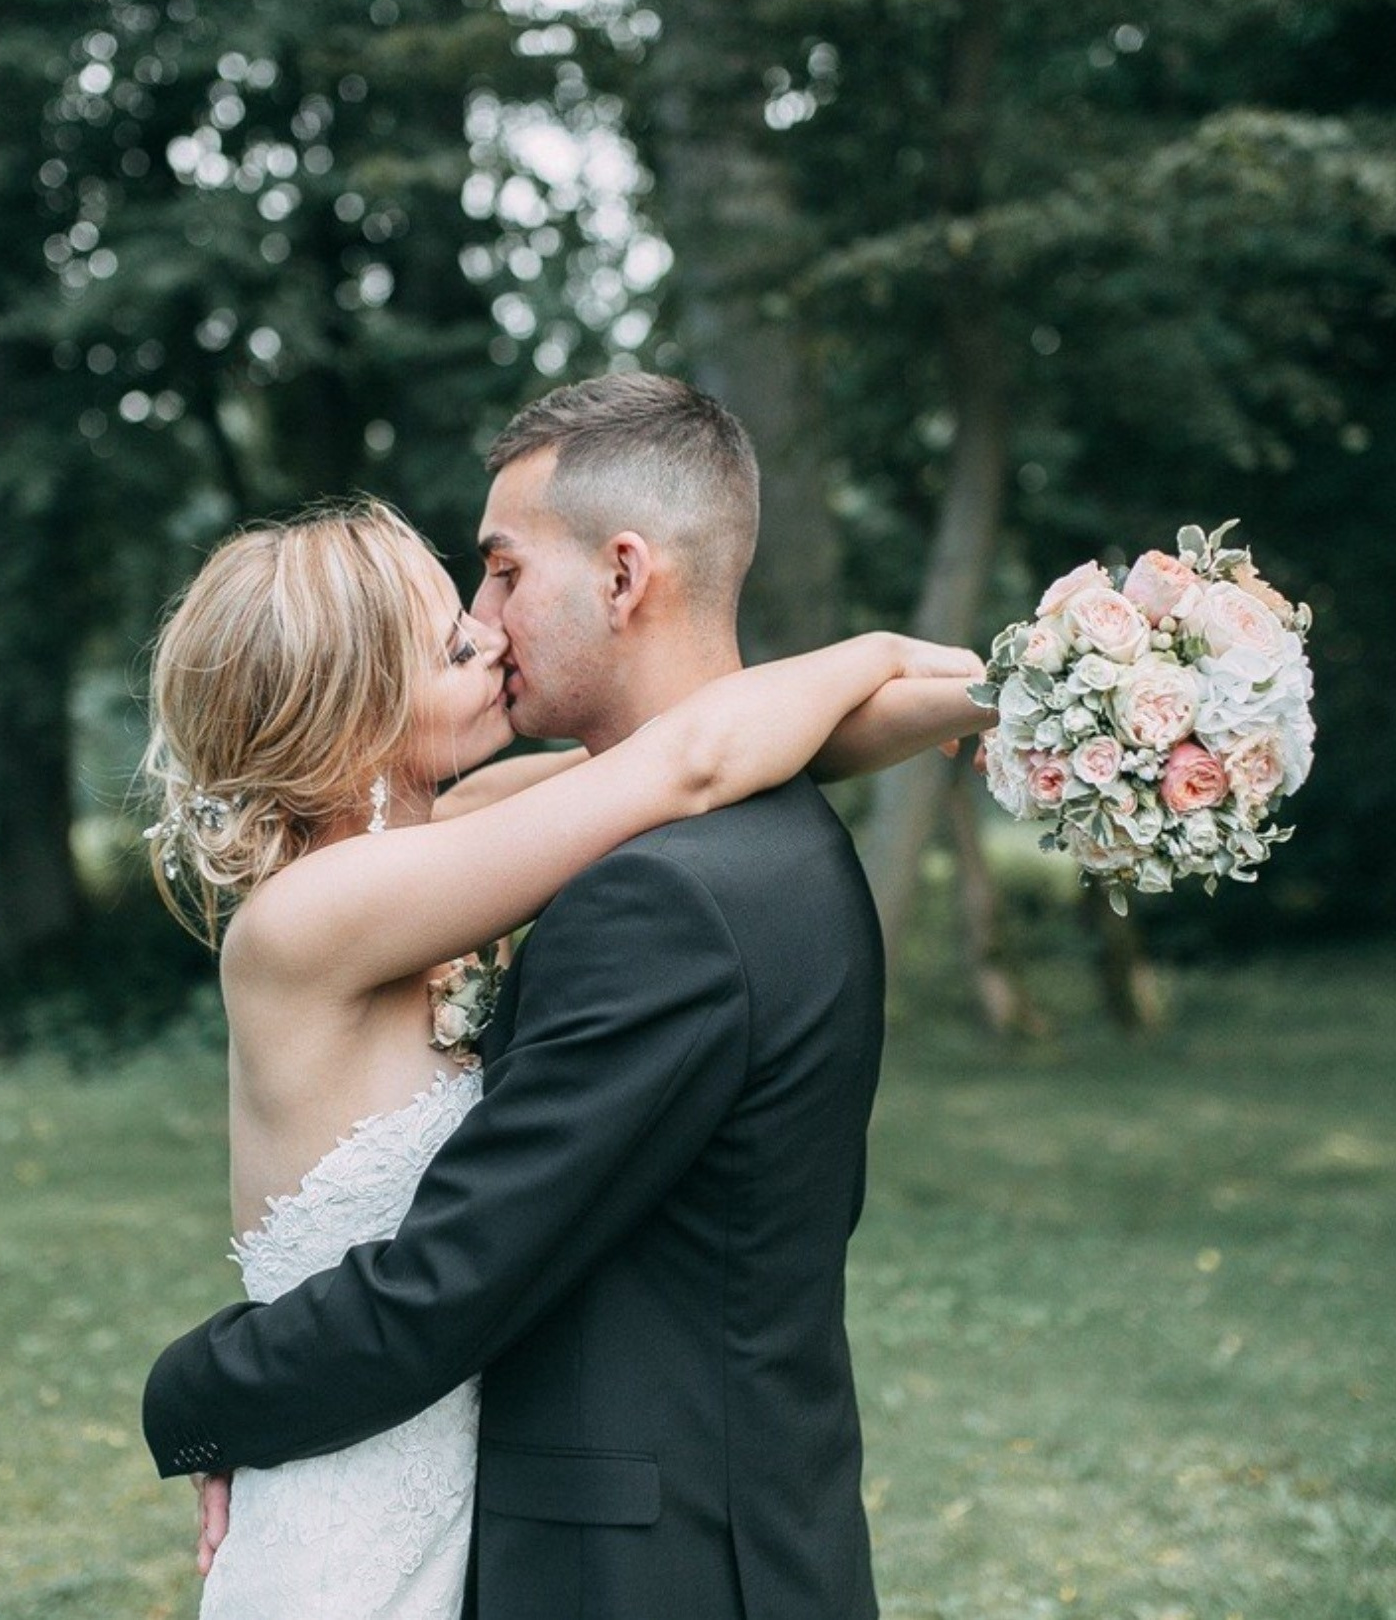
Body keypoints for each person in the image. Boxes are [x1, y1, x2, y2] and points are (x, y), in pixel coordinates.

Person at [141, 375, 993, 1620]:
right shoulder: (319, 915)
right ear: (355, 705)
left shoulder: (456, 827)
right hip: (353, 1489)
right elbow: (690, 759)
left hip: (422, 1455)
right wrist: (879, 648)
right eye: (449, 638)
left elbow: (730, 748)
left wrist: (995, 698)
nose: (486, 630)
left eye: (490, 581)